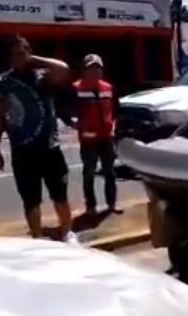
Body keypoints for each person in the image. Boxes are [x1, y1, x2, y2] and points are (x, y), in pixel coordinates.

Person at [0, 35, 78, 243]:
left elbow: (63, 69)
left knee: (60, 195)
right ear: (9, 57)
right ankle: (37, 238)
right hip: (23, 150)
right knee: (30, 200)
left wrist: (32, 58)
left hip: (50, 147)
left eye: (26, 50)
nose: (23, 56)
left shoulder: (42, 77)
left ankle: (67, 232)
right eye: (18, 53)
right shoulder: (3, 82)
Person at [71, 54, 121, 216]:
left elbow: (116, 110)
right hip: (88, 139)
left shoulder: (108, 88)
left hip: (106, 137)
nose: (94, 71)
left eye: (97, 68)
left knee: (110, 173)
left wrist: (114, 126)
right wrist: (74, 123)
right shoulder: (76, 88)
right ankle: (90, 206)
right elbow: (64, 109)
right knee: (89, 174)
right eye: (91, 68)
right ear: (84, 71)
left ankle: (111, 205)